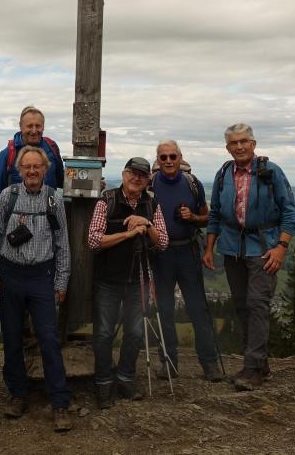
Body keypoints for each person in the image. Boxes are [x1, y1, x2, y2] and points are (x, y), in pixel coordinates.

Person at [203, 123, 295, 391]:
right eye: (234, 143)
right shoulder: (223, 174)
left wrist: (281, 247)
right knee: (243, 306)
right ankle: (260, 364)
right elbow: (215, 214)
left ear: (254, 144)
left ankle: (253, 368)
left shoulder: (271, 172)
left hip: (265, 248)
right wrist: (209, 248)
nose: (240, 146)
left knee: (257, 304)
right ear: (227, 148)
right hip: (232, 248)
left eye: (244, 141)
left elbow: (290, 212)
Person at [0, 145, 73, 432]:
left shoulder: (53, 200)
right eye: (27, 167)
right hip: (10, 274)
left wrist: (61, 281)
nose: (32, 171)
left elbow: (63, 244)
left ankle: (60, 401)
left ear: (45, 170)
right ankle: (18, 394)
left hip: (41, 276)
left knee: (48, 337)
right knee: (12, 337)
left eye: (38, 167)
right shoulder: (8, 197)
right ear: (19, 170)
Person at [87, 157, 168, 408]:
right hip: (108, 280)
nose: (136, 178)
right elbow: (93, 241)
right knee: (103, 334)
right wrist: (129, 233)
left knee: (134, 333)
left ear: (147, 181)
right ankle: (103, 383)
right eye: (132, 173)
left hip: (138, 281)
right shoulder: (107, 201)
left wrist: (146, 223)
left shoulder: (151, 204)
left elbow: (162, 242)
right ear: (123, 175)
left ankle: (125, 379)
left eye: (142, 176)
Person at [152, 140, 222, 382]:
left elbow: (207, 218)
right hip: (160, 253)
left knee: (198, 308)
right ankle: (168, 363)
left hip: (188, 250)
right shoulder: (149, 186)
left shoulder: (193, 184)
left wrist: (192, 217)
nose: (169, 161)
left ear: (180, 158)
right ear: (158, 160)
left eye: (173, 156)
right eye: (164, 157)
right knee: (164, 309)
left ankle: (209, 364)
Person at [0, 105, 65, 213]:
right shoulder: (8, 153)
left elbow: (61, 181)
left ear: (43, 127)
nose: (34, 130)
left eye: (38, 126)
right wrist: (3, 222)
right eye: (29, 126)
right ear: (21, 126)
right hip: (18, 222)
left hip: (48, 220)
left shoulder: (52, 148)